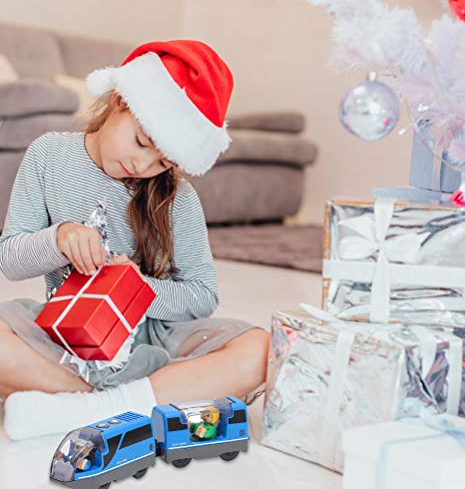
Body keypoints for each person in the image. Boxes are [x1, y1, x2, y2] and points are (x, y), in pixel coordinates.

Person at [0, 40, 270, 440]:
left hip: (155, 341)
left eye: (164, 161)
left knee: (262, 349)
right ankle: (123, 405)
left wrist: (137, 288)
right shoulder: (49, 155)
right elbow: (10, 260)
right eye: (142, 142)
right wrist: (58, 238)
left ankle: (88, 409)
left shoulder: (178, 198)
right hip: (65, 338)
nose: (142, 166)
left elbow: (202, 295)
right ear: (119, 101)